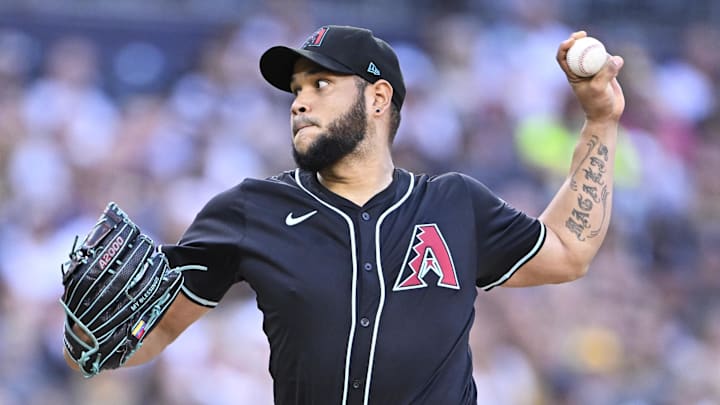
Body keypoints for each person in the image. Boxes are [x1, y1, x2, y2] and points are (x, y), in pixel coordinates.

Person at [64, 25, 625, 404]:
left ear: (378, 99)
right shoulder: (250, 210)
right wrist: (84, 338)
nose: (299, 102)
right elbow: (153, 330)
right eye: (296, 89)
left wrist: (600, 121)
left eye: (321, 83)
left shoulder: (454, 204)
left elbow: (569, 251)